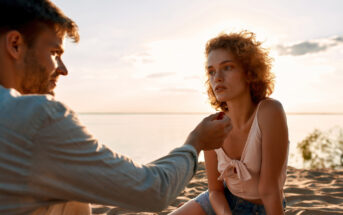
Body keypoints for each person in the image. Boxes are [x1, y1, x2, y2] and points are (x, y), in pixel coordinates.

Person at [0, 0, 233, 214]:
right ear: (15, 45)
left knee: (73, 198)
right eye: (54, 53)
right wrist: (195, 143)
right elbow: (152, 190)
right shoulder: (37, 116)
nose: (63, 69)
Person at [170, 31, 289, 215]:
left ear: (249, 71)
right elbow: (215, 191)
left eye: (227, 67)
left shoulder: (269, 111)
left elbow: (269, 189)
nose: (217, 77)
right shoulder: (214, 125)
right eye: (211, 71)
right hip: (222, 202)